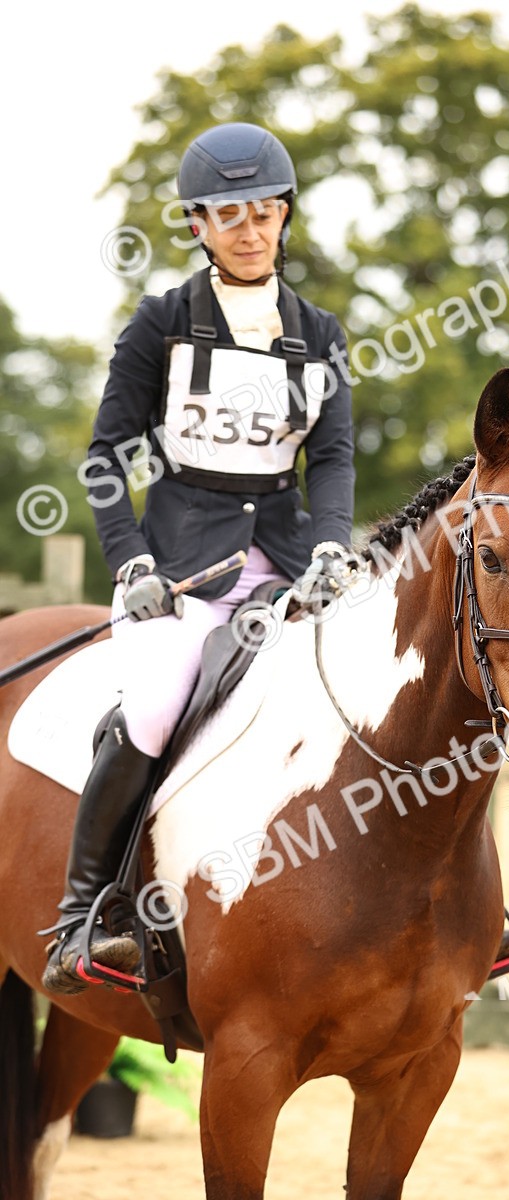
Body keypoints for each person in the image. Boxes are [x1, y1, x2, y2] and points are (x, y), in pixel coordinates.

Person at [41, 122, 356, 995]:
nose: (250, 231)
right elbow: (107, 454)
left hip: (291, 565)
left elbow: (329, 457)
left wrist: (333, 543)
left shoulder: (319, 335)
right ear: (197, 225)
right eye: (229, 216)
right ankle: (82, 917)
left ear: (284, 214)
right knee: (156, 703)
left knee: (386, 683)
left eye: (264, 213)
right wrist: (131, 563)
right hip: (181, 573)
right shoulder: (162, 324)